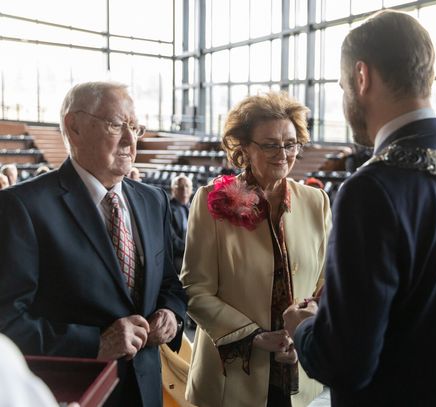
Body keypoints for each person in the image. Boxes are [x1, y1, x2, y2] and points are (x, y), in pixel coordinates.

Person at [283, 10, 436, 406]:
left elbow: (345, 363)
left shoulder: (371, 189)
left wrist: (303, 328)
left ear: (362, 76)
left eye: (342, 86)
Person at [0, 81, 188, 407]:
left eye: (135, 128)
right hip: (81, 393)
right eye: (116, 125)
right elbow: (7, 322)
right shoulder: (23, 207)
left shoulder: (153, 200)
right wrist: (95, 343)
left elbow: (170, 282)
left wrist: (172, 313)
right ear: (74, 127)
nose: (131, 141)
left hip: (147, 390)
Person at [180, 91, 331, 407]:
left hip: (296, 372)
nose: (283, 154)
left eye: (290, 144)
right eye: (270, 145)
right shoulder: (210, 202)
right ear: (244, 148)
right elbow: (195, 290)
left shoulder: (316, 202)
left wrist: (303, 331)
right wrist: (254, 336)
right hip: (230, 378)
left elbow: (324, 284)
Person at [170, 174, 193, 272]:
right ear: (173, 190)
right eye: (180, 187)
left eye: (187, 186)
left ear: (191, 189)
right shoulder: (168, 209)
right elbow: (172, 238)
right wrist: (191, 250)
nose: (184, 189)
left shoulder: (194, 208)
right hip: (178, 256)